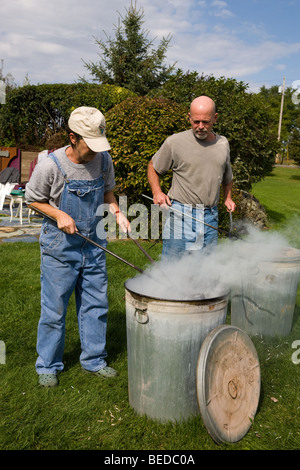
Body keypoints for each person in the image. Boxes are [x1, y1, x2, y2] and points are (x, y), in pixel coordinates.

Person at [25, 106, 130, 388]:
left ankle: (94, 360)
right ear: (73, 137)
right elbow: (32, 199)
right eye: (89, 144)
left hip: (94, 245)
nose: (96, 151)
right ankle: (48, 364)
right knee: (54, 309)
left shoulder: (104, 159)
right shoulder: (51, 165)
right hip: (60, 248)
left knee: (96, 305)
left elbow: (107, 190)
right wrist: (59, 214)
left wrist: (117, 212)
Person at [147, 95, 236, 258]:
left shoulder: (223, 144)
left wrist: (228, 198)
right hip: (181, 215)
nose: (200, 126)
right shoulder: (174, 142)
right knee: (173, 269)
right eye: (196, 121)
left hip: (210, 217)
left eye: (206, 122)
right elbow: (153, 166)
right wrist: (157, 192)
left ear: (215, 118)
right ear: (189, 117)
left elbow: (227, 176)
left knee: (204, 270)